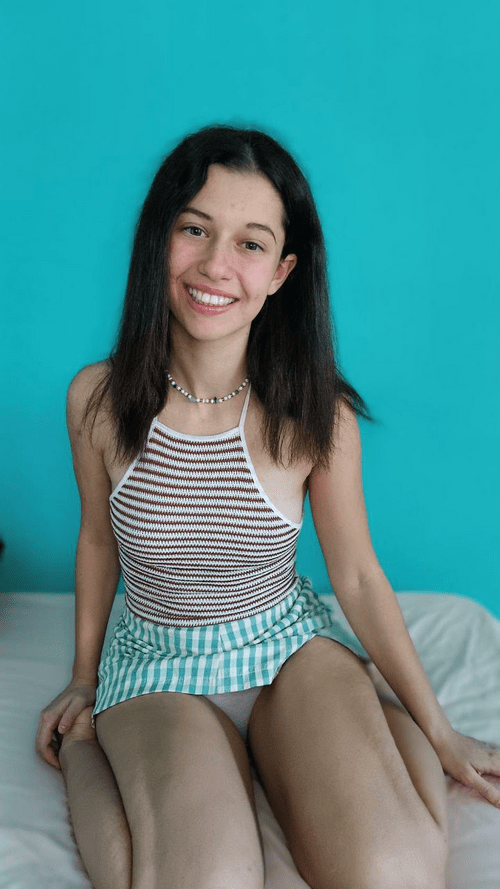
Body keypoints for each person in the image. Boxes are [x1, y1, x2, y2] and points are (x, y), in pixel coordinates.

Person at [36, 124, 500, 889]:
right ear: (159, 238)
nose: (216, 265)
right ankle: (93, 744)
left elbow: (357, 577)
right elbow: (96, 541)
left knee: (394, 874)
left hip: (286, 649)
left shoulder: (318, 415)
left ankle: (382, 718)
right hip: (158, 663)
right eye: (194, 229)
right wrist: (84, 678)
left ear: (283, 271)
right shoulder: (96, 399)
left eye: (251, 243)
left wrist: (442, 731)